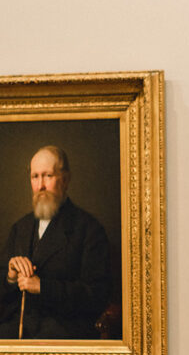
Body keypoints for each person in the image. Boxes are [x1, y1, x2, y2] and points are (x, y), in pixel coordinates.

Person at [0, 145, 111, 339]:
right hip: (16, 330)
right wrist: (10, 277)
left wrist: (43, 287)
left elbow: (96, 295)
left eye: (48, 176)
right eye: (35, 177)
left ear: (66, 180)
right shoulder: (20, 228)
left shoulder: (89, 229)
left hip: (62, 333)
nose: (40, 185)